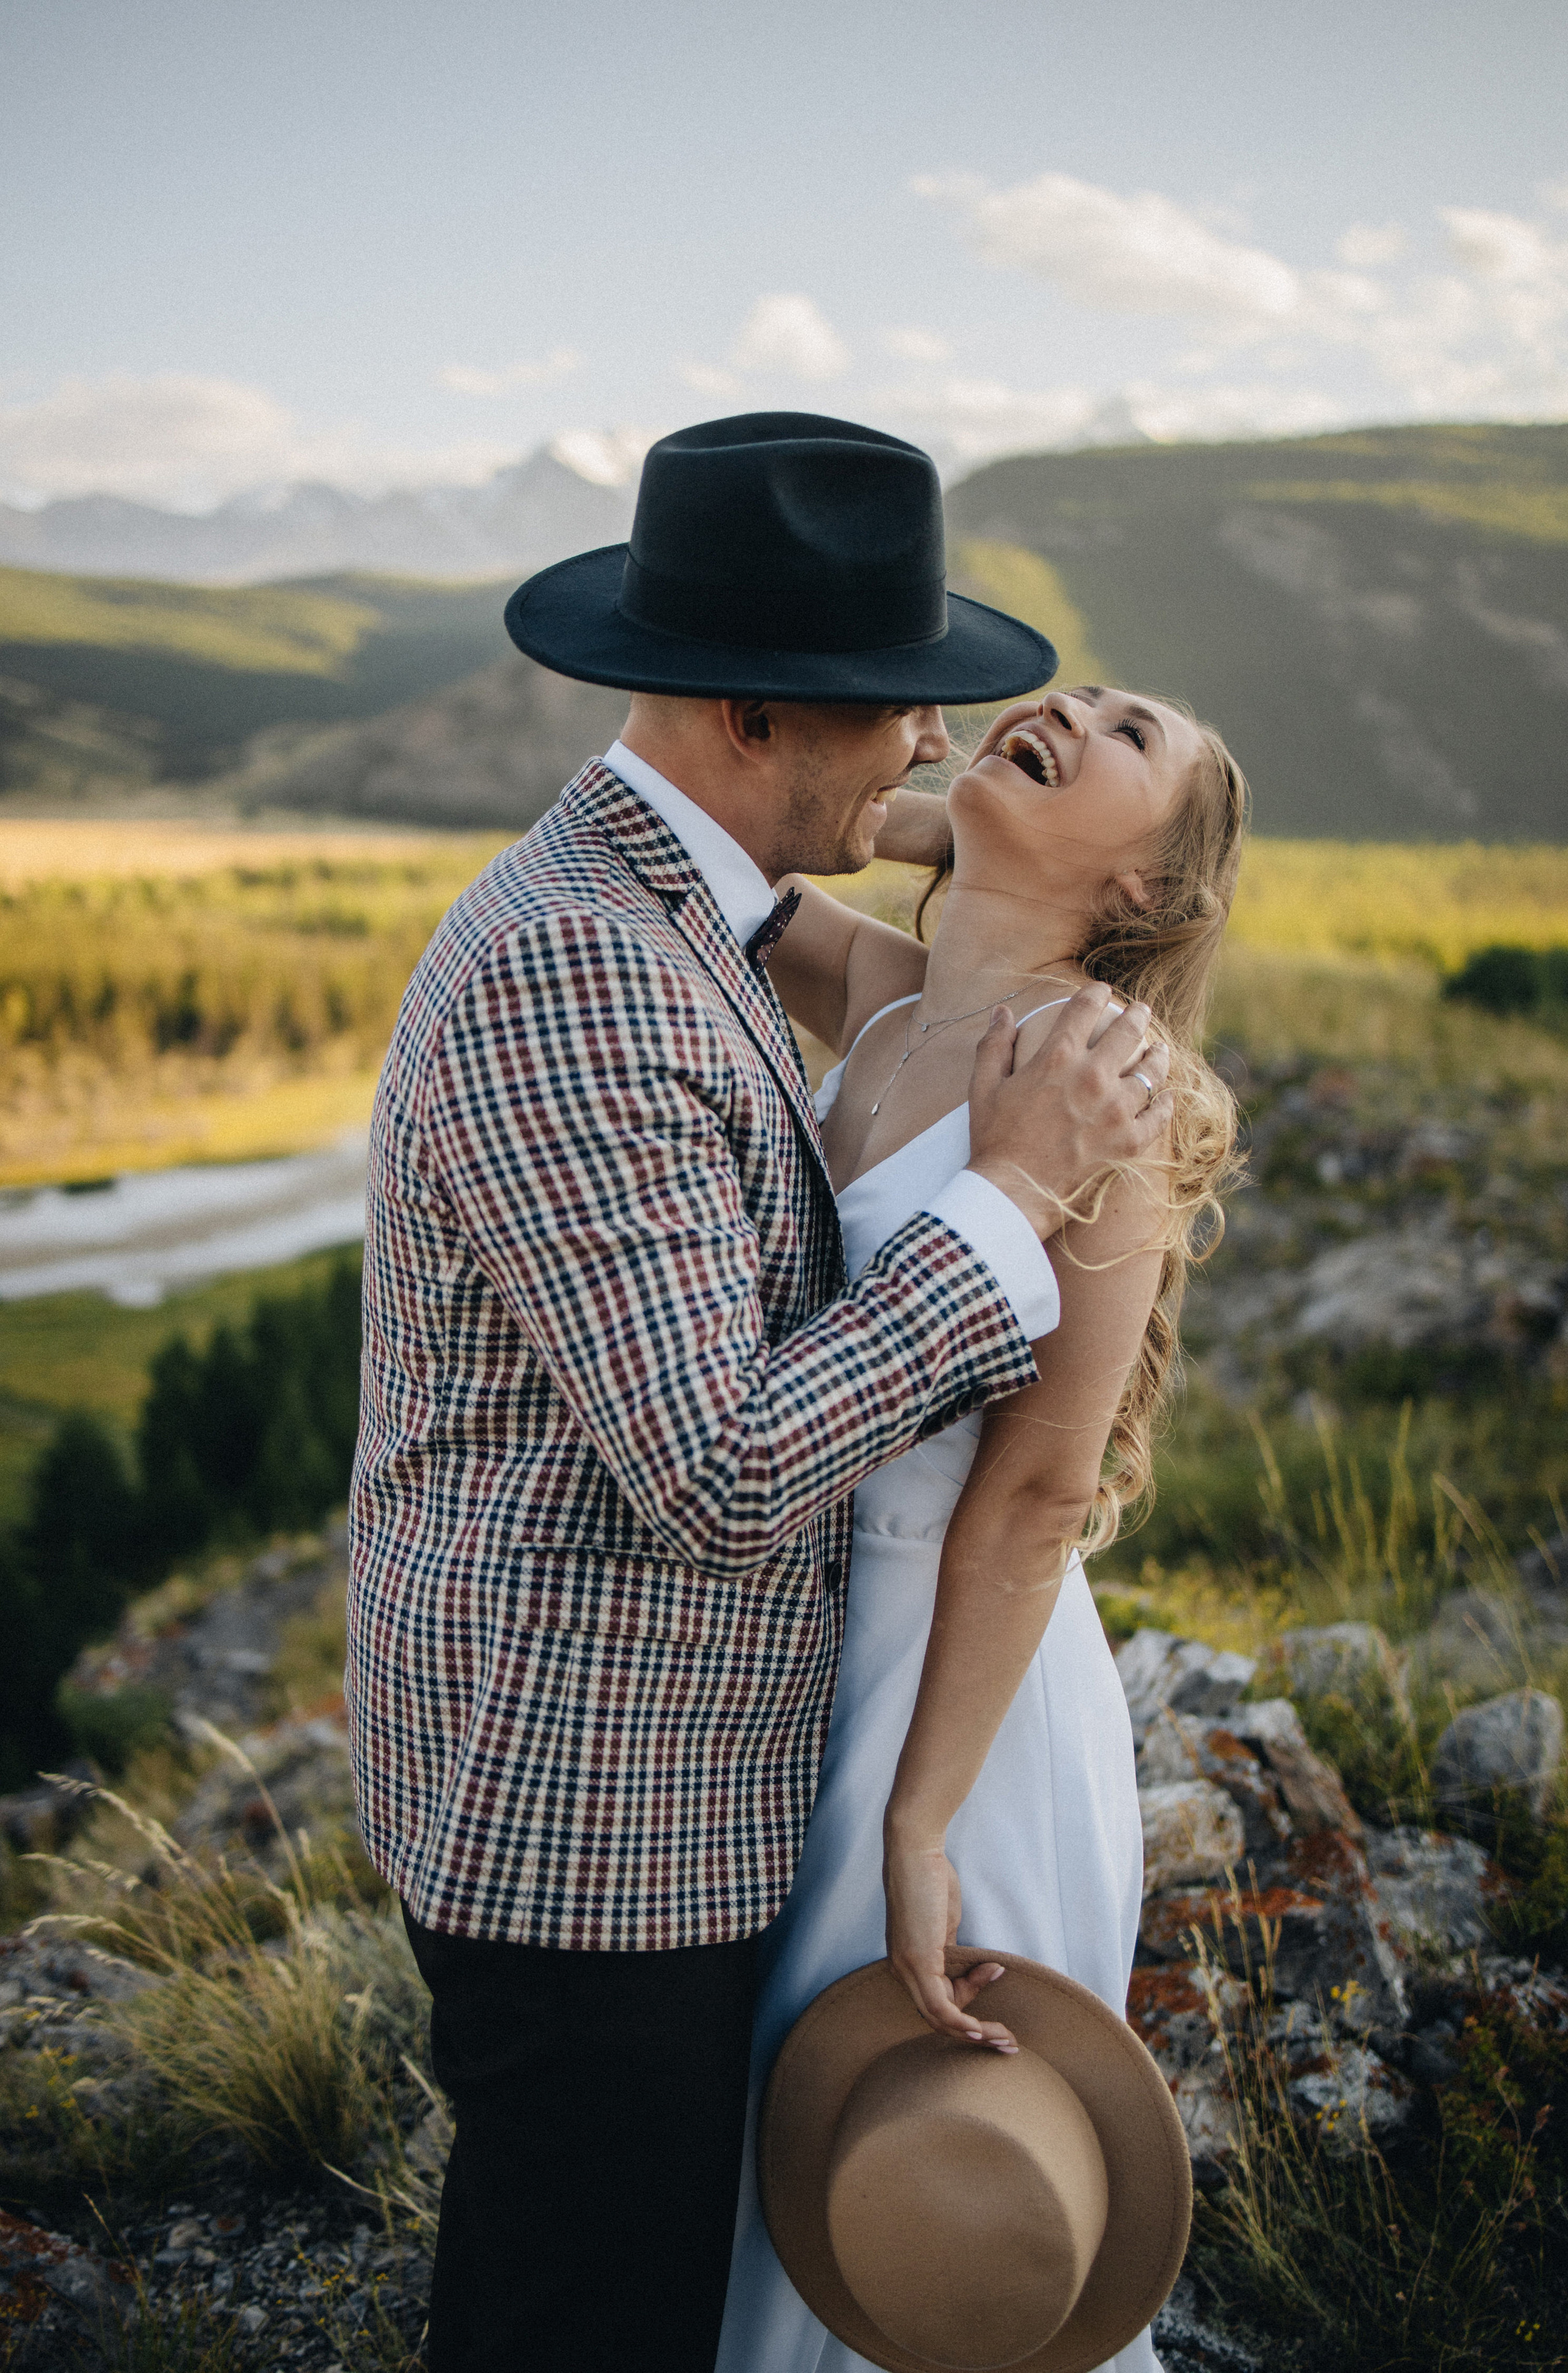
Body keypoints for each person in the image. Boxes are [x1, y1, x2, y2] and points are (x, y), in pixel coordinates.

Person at [344, 413, 1176, 2373]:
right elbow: (717, 1467)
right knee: (587, 2308)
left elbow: (825, 881)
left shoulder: (672, 895)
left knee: (688, 2262)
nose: (928, 751)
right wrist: (1007, 1199)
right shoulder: (587, 972)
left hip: (708, 1753)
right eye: (894, 711)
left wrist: (936, 836)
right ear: (748, 712)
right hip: (595, 1804)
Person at [715, 682, 1247, 2373]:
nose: (1068, 707)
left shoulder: (1111, 1080)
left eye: (1128, 736)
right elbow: (733, 835)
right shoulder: (889, 1004)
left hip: (969, 1709)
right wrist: (957, 820)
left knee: (935, 2188)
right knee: (796, 2155)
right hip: (798, 1673)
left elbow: (1030, 1500)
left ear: (1154, 894)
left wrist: (924, 1821)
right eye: (1071, 697)